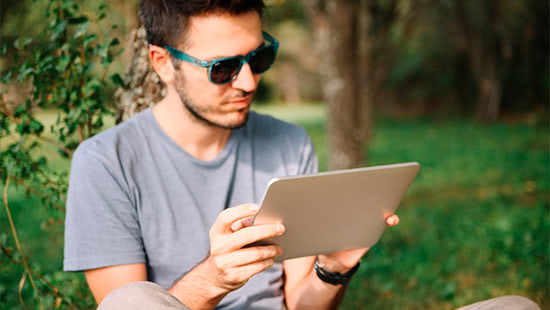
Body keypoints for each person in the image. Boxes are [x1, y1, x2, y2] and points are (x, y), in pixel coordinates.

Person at [63, 1, 541, 309]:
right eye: (224, 68)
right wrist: (214, 278)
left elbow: (303, 305)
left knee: (515, 308)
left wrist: (334, 265)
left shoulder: (288, 142)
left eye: (259, 57)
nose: (249, 81)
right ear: (163, 63)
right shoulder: (106, 161)